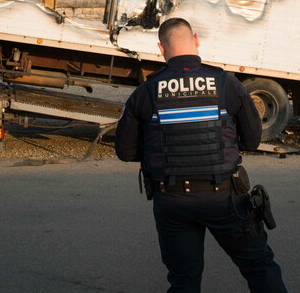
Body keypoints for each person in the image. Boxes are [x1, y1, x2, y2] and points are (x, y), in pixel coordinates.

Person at [115, 17, 287, 293]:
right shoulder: (226, 84)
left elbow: (125, 151)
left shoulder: (146, 91)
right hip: (223, 197)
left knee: (184, 281)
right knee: (259, 266)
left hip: (171, 199)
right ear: (195, 40)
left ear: (161, 48)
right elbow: (253, 140)